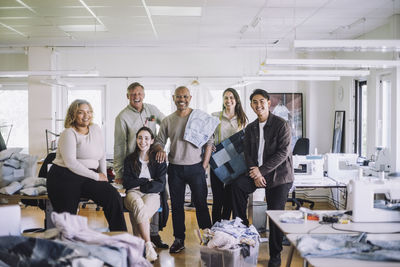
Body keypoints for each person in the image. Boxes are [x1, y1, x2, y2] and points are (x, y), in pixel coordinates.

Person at [231, 89, 294, 267]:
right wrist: (254, 172)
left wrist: (261, 171)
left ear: (268, 103)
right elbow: (248, 154)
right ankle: (243, 237)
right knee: (237, 186)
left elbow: (283, 153)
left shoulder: (282, 125)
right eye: (254, 102)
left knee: (274, 214)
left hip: (279, 176)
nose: (258, 105)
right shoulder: (251, 128)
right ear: (251, 105)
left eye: (261, 101)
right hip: (256, 172)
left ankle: (275, 254)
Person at [47, 99, 127, 231]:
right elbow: (71, 163)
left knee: (113, 197)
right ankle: (67, 247)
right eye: (81, 112)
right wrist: (96, 176)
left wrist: (104, 176)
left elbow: (101, 154)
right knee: (68, 219)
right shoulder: (68, 133)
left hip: (87, 175)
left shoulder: (96, 129)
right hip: (64, 176)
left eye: (88, 112)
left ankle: (121, 239)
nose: (86, 115)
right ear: (73, 114)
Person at [155, 86, 214, 253]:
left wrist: (204, 165)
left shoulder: (199, 117)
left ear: (190, 97)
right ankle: (179, 239)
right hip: (175, 169)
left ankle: (208, 237)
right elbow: (159, 140)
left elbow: (210, 141)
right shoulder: (167, 120)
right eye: (179, 97)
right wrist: (159, 149)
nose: (182, 100)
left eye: (185, 97)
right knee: (177, 205)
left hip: (196, 167)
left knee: (201, 204)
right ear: (174, 98)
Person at [114, 82, 168, 248]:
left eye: (139, 93)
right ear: (127, 96)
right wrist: (119, 172)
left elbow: (166, 123)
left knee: (155, 193)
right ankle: (144, 239)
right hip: (133, 164)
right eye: (132, 94)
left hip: (151, 160)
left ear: (143, 95)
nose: (136, 96)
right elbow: (119, 146)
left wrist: (158, 145)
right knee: (137, 201)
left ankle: (151, 236)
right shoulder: (122, 117)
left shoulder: (151, 110)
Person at [122, 127, 167, 262]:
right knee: (137, 205)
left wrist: (140, 184)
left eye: (147, 138)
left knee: (140, 211)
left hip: (153, 194)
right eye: (140, 138)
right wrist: (146, 180)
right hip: (133, 193)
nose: (143, 141)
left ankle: (139, 244)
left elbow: (160, 184)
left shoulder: (158, 159)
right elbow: (127, 183)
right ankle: (148, 244)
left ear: (152, 140)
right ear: (136, 140)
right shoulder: (130, 159)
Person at [210, 88, 248, 224]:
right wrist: (210, 145)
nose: (228, 100)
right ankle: (215, 226)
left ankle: (225, 225)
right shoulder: (215, 116)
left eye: (231, 97)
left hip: (236, 163)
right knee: (217, 197)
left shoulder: (243, 119)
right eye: (226, 98)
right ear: (223, 100)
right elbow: (208, 137)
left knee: (230, 197)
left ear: (236, 100)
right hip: (218, 160)